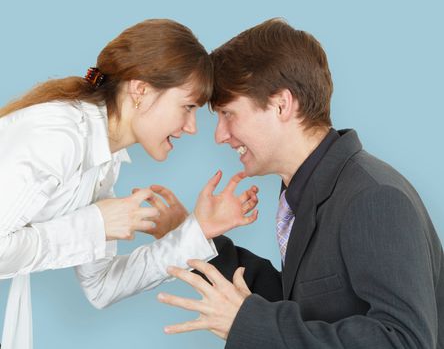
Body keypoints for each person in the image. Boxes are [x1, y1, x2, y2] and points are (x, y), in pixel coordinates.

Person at [157, 18, 444, 348]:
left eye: (229, 114)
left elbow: (405, 341)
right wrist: (193, 237)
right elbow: (301, 308)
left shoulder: (374, 198)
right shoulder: (304, 192)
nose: (220, 135)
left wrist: (248, 323)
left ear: (281, 104)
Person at [0, 19, 258, 349]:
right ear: (140, 90)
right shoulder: (57, 137)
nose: (192, 127)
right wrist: (95, 224)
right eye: (187, 107)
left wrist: (198, 230)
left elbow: (102, 286)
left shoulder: (102, 161)